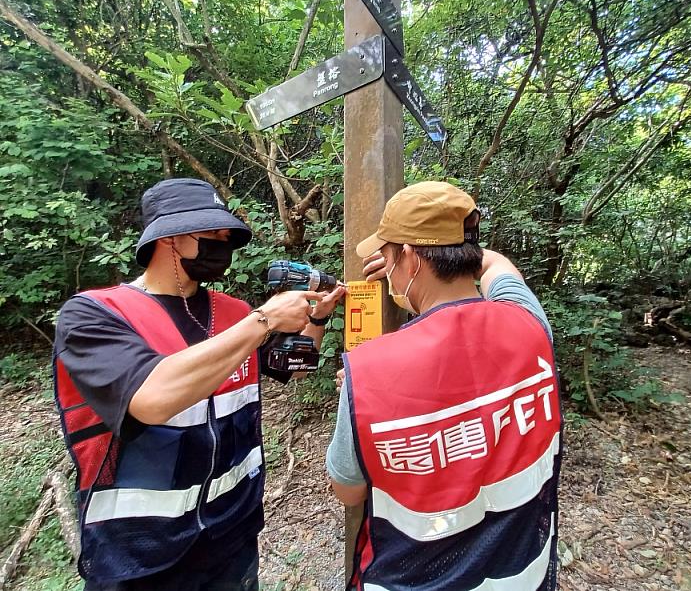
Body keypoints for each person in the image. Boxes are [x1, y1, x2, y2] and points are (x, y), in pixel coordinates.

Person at [54, 178, 345, 590]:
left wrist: (316, 318)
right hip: (140, 555)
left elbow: (291, 367)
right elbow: (151, 400)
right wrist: (262, 320)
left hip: (232, 539)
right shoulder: (96, 314)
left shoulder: (231, 313)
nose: (223, 244)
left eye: (227, 235)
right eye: (212, 234)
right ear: (169, 238)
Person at [326, 181, 562, 590]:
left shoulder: (368, 373)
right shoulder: (530, 324)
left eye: (387, 254)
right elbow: (500, 267)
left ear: (411, 258)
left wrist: (361, 398)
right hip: (525, 574)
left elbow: (348, 491)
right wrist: (453, 249)